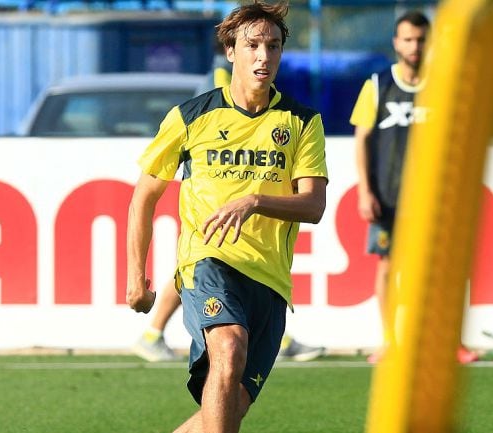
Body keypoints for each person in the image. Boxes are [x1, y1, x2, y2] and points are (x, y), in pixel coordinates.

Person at [126, 1, 328, 432]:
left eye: (273, 46)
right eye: (252, 45)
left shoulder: (302, 122)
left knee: (229, 406)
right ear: (230, 50)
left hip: (270, 279)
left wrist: (254, 200)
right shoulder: (191, 116)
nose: (263, 56)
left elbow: (313, 206)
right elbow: (145, 195)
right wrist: (134, 277)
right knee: (230, 348)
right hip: (207, 261)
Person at [349, 10, 479, 365]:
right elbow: (362, 139)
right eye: (407, 39)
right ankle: (391, 342)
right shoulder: (378, 85)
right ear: (396, 42)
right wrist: (365, 191)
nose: (415, 46)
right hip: (389, 198)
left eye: (421, 39)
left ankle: (452, 342)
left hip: (436, 197)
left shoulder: (443, 83)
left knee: (444, 271)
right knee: (388, 268)